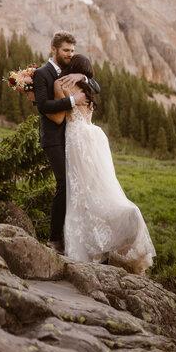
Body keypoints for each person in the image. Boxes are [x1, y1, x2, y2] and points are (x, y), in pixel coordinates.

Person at [47, 54, 156, 274]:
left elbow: (59, 116)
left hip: (77, 138)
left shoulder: (61, 84)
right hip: (94, 137)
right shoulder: (89, 88)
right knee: (96, 186)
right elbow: (92, 85)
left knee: (79, 191)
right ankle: (107, 235)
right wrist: (84, 79)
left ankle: (85, 243)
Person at [32, 31, 100, 255]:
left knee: (78, 185)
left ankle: (77, 237)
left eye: (72, 50)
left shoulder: (74, 73)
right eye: (66, 50)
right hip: (53, 138)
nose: (70, 54)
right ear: (54, 50)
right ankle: (54, 239)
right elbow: (42, 105)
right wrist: (73, 100)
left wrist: (84, 78)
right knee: (64, 183)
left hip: (73, 138)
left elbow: (96, 87)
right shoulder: (42, 73)